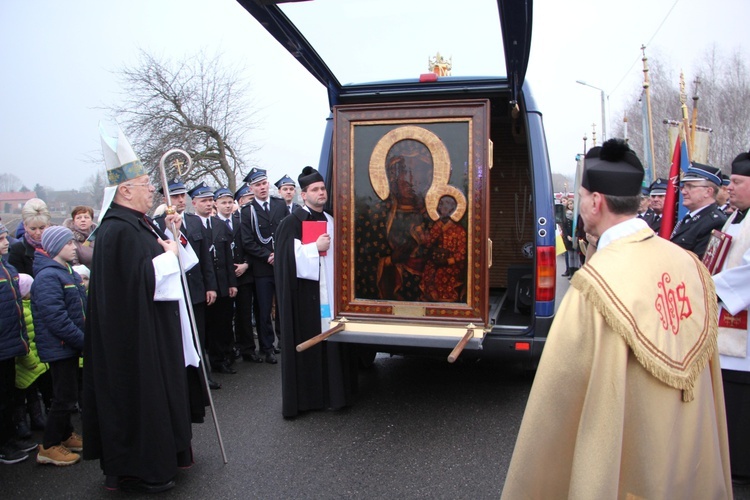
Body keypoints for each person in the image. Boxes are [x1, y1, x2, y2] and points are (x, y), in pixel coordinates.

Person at [501, 139, 731, 499]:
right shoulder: (688, 264)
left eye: (581, 196)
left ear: (596, 202)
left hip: (628, 464)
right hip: (684, 459)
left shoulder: (596, 285)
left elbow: (557, 400)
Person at [83, 126, 196, 493]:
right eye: (146, 183)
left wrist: (171, 236)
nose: (152, 189)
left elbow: (162, 262)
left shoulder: (138, 224)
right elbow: (138, 281)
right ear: (125, 190)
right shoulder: (116, 230)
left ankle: (169, 453)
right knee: (139, 397)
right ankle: (143, 467)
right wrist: (167, 257)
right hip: (132, 339)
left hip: (154, 329)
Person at [275, 166, 355, 418]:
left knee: (332, 344)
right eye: (315, 190)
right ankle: (307, 400)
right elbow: (286, 261)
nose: (321, 193)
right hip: (304, 298)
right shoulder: (291, 223)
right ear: (303, 195)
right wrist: (313, 248)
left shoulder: (332, 220)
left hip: (330, 296)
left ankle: (335, 396)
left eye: (323, 188)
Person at [156, 178, 220, 393]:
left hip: (195, 288)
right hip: (171, 289)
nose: (180, 200)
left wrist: (210, 286)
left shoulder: (194, 222)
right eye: (175, 196)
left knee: (198, 335)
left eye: (182, 195)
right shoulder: (155, 224)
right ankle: (179, 380)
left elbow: (205, 258)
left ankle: (203, 378)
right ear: (165, 199)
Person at [31, 226, 86, 466]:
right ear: (55, 247)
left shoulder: (67, 272)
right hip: (60, 346)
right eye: (69, 244)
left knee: (68, 393)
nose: (74, 247)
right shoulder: (48, 277)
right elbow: (56, 319)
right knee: (64, 397)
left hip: (69, 344)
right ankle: (49, 445)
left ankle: (65, 434)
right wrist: (83, 341)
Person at [712, 149, 750, 484]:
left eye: (737, 182)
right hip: (726, 318)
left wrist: (710, 287)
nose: (730, 188)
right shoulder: (735, 218)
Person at [241, 167, 289, 364]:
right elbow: (247, 241)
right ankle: (267, 347)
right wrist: (268, 255)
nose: (262, 188)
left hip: (282, 264)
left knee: (284, 306)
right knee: (264, 309)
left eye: (264, 183)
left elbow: (288, 232)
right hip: (262, 268)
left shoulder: (280, 205)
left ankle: (284, 342)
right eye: (257, 185)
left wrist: (279, 254)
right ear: (251, 188)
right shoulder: (248, 211)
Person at [0, 223, 36, 465]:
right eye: (1, 239)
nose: (6, 242)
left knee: (10, 394)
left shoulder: (6, 266)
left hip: (10, 341)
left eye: (5, 237)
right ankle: (4, 445)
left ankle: (10, 436)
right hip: (3, 342)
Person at [193, 185, 238, 374]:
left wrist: (232, 283)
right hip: (204, 285)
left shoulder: (219, 225)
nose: (208, 204)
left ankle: (222, 358)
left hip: (222, 283)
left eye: (210, 200)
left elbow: (228, 258)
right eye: (203, 200)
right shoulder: (192, 225)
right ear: (194, 203)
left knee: (223, 322)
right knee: (208, 326)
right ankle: (210, 361)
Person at [13, 273, 48, 441]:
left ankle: (37, 418)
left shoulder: (31, 306)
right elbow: (22, 338)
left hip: (34, 356)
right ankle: (20, 423)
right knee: (19, 395)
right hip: (24, 361)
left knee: (33, 392)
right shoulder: (20, 311)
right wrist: (30, 360)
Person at [670, 162, 727, 259]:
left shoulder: (714, 223)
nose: (683, 191)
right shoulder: (690, 217)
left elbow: (700, 264)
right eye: (683, 187)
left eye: (690, 186)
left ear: (708, 192)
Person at [232, 184, 262, 363]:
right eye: (247, 199)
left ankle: (248, 349)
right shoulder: (237, 218)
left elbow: (249, 245)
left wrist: (246, 264)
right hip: (227, 275)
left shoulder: (247, 219)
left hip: (246, 272)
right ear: (240, 201)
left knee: (245, 313)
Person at [418, 194, 467, 302]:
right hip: (434, 262)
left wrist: (447, 261)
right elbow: (428, 243)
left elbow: (461, 253)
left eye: (448, 204)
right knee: (428, 273)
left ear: (453, 209)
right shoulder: (435, 226)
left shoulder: (459, 230)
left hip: (451, 266)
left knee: (442, 276)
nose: (444, 207)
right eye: (441, 204)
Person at [8, 198, 51, 276]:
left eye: (42, 228)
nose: (38, 233)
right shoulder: (17, 250)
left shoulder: (58, 245)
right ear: (25, 226)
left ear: (48, 224)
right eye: (33, 229)